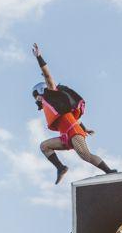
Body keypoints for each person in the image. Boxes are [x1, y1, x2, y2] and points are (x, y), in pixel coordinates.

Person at [31, 43, 114, 183]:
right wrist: (86, 128)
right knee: (44, 146)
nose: (36, 99)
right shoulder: (52, 105)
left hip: (73, 132)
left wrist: (39, 57)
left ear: (40, 91)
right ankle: (61, 168)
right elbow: (75, 118)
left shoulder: (52, 92)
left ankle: (110, 172)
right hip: (65, 136)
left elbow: (47, 75)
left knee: (85, 155)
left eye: (36, 95)